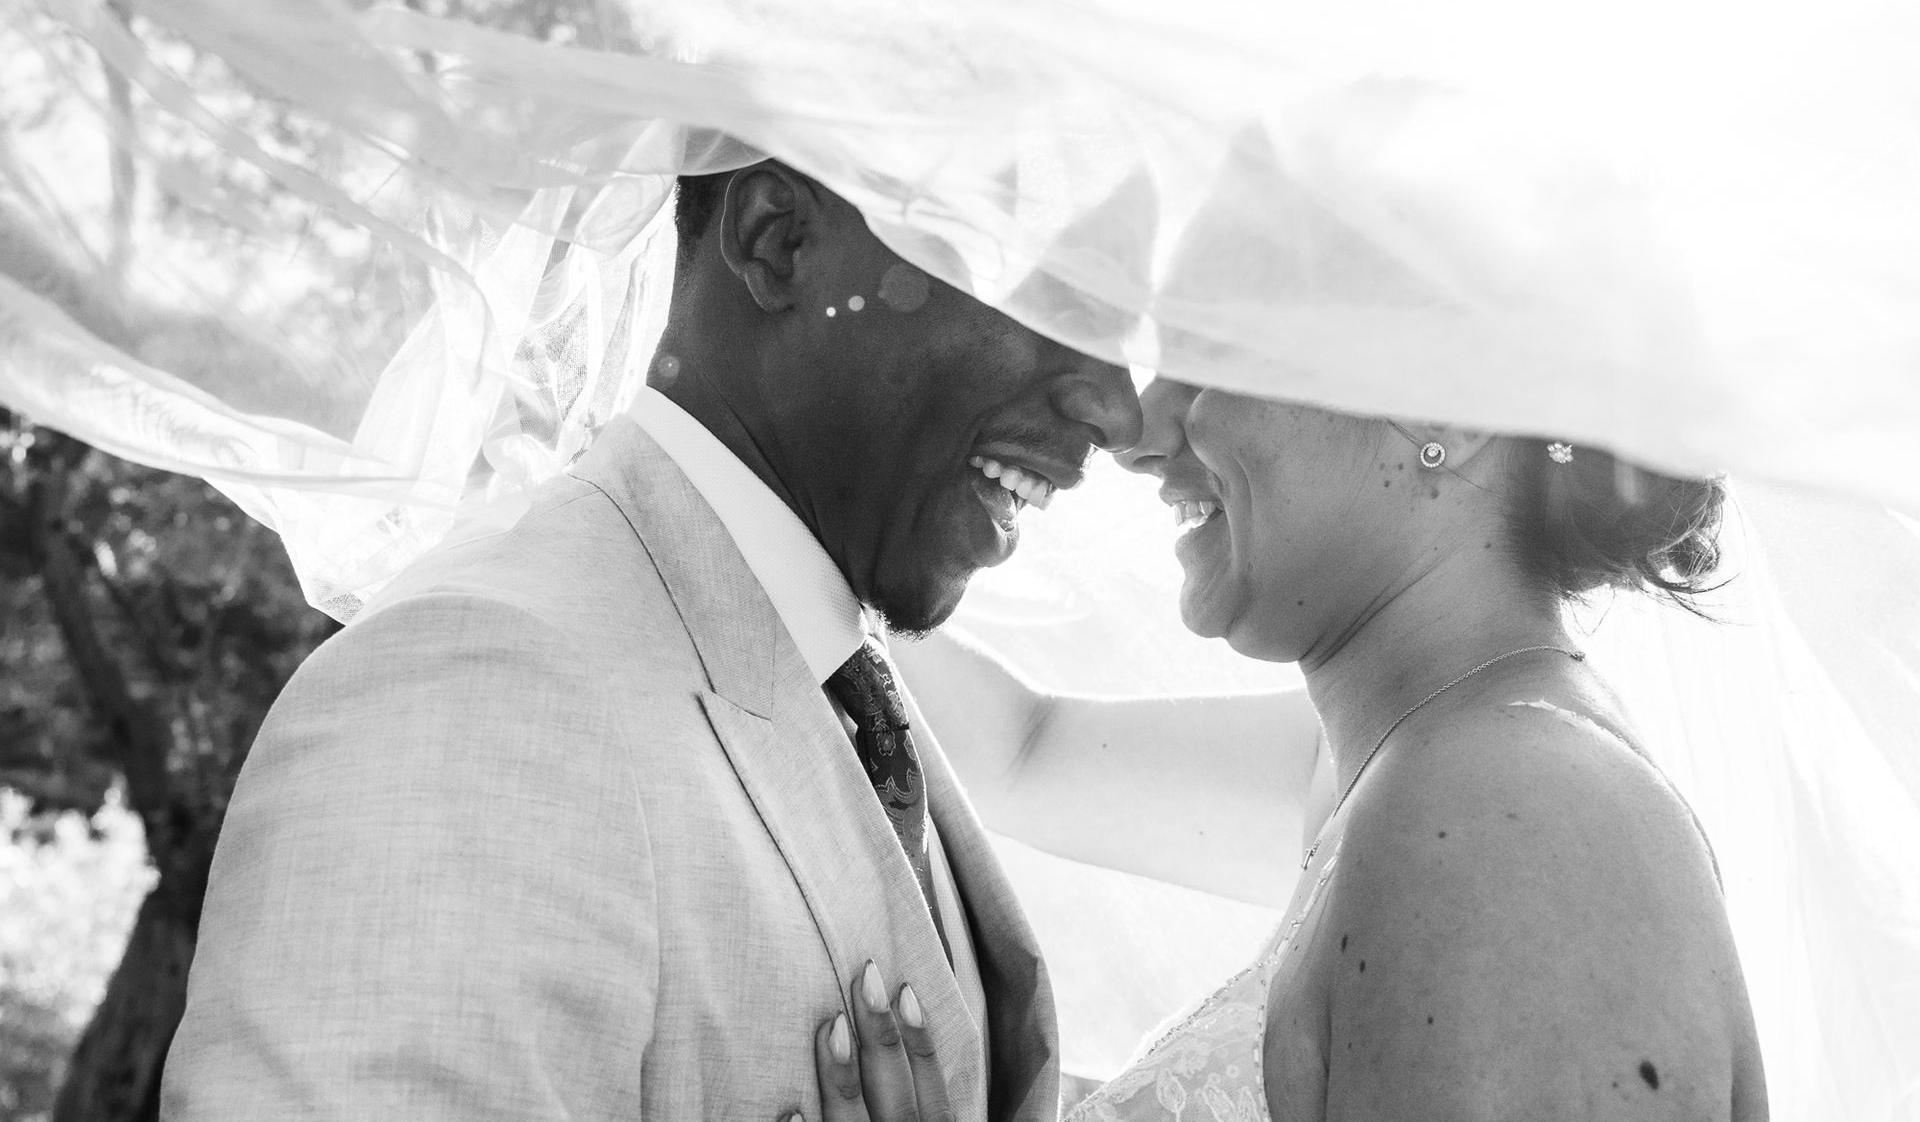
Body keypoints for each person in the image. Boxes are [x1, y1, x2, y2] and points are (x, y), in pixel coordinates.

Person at [160, 159, 1144, 1122]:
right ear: (779, 241)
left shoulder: (845, 689)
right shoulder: (489, 687)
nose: (1119, 410)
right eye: (1067, 304)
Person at [803, 379, 1768, 1120]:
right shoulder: (1410, 760)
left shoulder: (1517, 824)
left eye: (1213, 346)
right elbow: (1021, 749)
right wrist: (774, 493)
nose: (1138, 431)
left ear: (1446, 404)